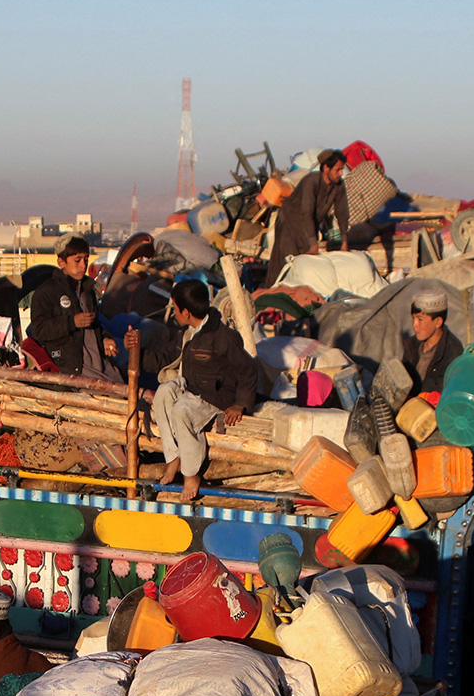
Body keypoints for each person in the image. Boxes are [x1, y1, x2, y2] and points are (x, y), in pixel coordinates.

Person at [133, 279, 258, 503]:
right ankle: (174, 458)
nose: (174, 314)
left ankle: (191, 474)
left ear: (186, 311)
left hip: (214, 397)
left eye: (176, 309)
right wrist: (136, 354)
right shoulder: (189, 333)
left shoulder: (223, 338)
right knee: (163, 393)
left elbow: (248, 370)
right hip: (190, 388)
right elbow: (164, 358)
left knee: (182, 410)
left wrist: (240, 403)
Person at [25, 234, 120, 382]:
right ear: (61, 262)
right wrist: (72, 322)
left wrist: (105, 338)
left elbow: (95, 323)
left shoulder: (87, 290)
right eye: (77, 260)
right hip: (73, 365)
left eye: (86, 260)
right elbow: (39, 329)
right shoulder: (47, 292)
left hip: (99, 361)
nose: (83, 265)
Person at [265, 149, 351, 283]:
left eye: (342, 170)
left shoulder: (338, 186)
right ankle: (274, 292)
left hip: (309, 225)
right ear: (326, 168)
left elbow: (342, 212)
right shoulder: (311, 181)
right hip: (290, 220)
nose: (340, 174)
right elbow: (307, 211)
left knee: (305, 264)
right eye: (337, 170)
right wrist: (313, 242)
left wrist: (345, 241)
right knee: (286, 262)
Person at [402, 287, 464, 396]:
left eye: (420, 319)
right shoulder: (412, 345)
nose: (414, 324)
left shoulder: (452, 353)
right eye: (413, 318)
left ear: (438, 322)